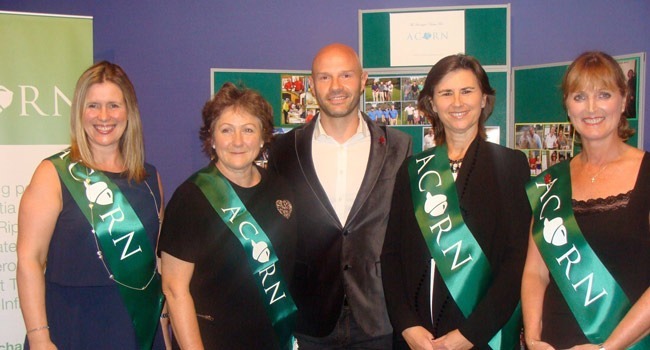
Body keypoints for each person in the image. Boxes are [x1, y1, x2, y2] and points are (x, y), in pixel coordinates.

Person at [381, 54, 531, 349]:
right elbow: (391, 255)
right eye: (446, 93)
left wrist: (470, 335)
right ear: (432, 104)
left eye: (467, 91)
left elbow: (517, 262)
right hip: (418, 338)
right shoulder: (413, 170)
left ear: (485, 99)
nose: (457, 103)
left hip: (481, 336)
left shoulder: (511, 166)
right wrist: (407, 325)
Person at [268, 43, 412, 348]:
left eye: (345, 75)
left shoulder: (399, 148)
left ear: (363, 80)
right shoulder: (283, 151)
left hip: (379, 316)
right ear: (312, 85)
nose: (335, 87)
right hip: (310, 318)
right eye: (324, 77)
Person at [16, 61, 167, 349]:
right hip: (72, 328)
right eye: (93, 106)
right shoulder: (53, 174)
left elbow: (156, 268)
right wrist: (39, 338)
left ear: (129, 112)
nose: (104, 116)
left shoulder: (150, 179)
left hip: (136, 329)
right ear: (79, 113)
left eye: (113, 105)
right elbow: (29, 260)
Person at [522, 51, 650, 349]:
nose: (591, 108)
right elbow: (535, 271)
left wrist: (609, 347)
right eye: (579, 97)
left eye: (603, 94)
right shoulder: (550, 182)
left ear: (623, 99)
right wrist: (532, 336)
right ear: (567, 106)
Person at [158, 82, 297, 349]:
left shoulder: (281, 189)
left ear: (263, 136)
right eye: (226, 130)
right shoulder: (191, 198)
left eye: (248, 130)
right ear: (211, 138)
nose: (237, 141)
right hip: (212, 340)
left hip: (271, 338)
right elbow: (175, 290)